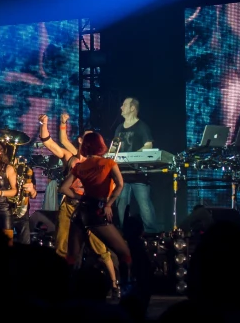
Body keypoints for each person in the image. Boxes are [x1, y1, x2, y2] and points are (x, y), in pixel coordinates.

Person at [38, 114, 119, 297]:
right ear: (82, 141)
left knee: (100, 247)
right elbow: (48, 142)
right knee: (62, 245)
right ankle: (62, 285)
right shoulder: (71, 156)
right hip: (70, 206)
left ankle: (114, 284)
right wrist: (45, 123)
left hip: (89, 208)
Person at [58, 132, 132, 282]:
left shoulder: (80, 166)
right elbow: (120, 185)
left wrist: (82, 197)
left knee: (71, 257)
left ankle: (65, 291)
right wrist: (109, 204)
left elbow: (63, 189)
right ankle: (124, 289)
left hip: (81, 212)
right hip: (97, 210)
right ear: (101, 145)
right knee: (124, 253)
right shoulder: (109, 163)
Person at [114, 97, 158, 233]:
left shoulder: (142, 126)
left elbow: (148, 146)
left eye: (124, 105)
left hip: (139, 174)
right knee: (121, 205)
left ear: (132, 108)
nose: (121, 107)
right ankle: (121, 233)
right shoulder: (119, 127)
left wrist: (131, 156)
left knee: (144, 204)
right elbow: (114, 148)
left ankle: (151, 233)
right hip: (122, 175)